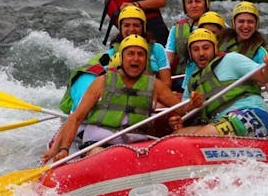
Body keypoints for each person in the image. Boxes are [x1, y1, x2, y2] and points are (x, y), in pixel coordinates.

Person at [43, 35, 203, 163]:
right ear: (123, 58)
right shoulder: (102, 81)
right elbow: (76, 118)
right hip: (98, 145)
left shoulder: (155, 86)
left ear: (145, 60)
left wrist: (193, 104)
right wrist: (64, 149)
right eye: (130, 54)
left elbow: (181, 109)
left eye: (140, 54)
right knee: (102, 156)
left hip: (135, 147)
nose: (135, 58)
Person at [59, 5, 171, 115]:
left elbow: (167, 82)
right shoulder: (110, 54)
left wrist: (151, 95)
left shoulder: (157, 49)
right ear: (120, 28)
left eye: (136, 25)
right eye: (126, 25)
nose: (131, 29)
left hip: (152, 95)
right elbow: (102, 81)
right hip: (123, 99)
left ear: (143, 27)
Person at [169, 28, 268, 137]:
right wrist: (191, 108)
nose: (201, 53)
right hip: (218, 122)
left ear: (215, 48)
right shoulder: (193, 82)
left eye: (206, 48)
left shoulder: (231, 59)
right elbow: (184, 111)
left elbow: (265, 77)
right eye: (196, 49)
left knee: (203, 135)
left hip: (250, 113)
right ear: (191, 53)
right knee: (177, 135)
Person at [218, 1, 268, 122]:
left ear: (256, 25)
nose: (245, 26)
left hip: (241, 94)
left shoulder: (259, 52)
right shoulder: (221, 41)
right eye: (241, 21)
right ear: (233, 23)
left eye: (250, 22)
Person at [165, 0, 210, 91]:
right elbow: (168, 58)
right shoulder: (176, 28)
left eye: (198, 1)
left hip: (210, 75)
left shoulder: (218, 25)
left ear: (206, 4)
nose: (193, 5)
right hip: (183, 78)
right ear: (185, 6)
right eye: (189, 2)